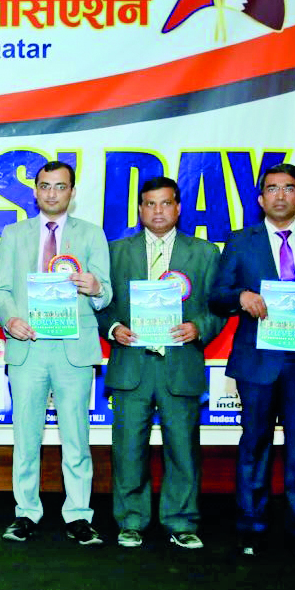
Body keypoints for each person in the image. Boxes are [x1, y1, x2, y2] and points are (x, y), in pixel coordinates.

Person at [210, 163, 295, 559]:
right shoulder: (240, 241)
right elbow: (217, 294)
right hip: (257, 362)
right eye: (272, 188)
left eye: (289, 189)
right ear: (260, 199)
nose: (280, 195)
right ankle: (251, 527)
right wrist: (240, 298)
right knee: (253, 445)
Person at [96, 177, 224, 550]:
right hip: (132, 364)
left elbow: (218, 308)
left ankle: (181, 520)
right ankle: (131, 520)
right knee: (128, 449)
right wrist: (115, 327)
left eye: (165, 204)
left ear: (178, 208)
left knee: (183, 449)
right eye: (150, 204)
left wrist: (198, 327)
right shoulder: (116, 251)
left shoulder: (203, 253)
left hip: (179, 364)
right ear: (140, 210)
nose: (157, 211)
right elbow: (99, 305)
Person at [0, 160, 111, 545]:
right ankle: (25, 512)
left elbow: (106, 294)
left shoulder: (93, 235)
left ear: (72, 192)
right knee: (26, 436)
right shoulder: (13, 234)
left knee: (76, 436)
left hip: (73, 350)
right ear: (35, 190)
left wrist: (94, 287)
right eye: (45, 186)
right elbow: (1, 292)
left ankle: (78, 514)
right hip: (27, 346)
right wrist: (10, 320)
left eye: (60, 186)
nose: (52, 193)